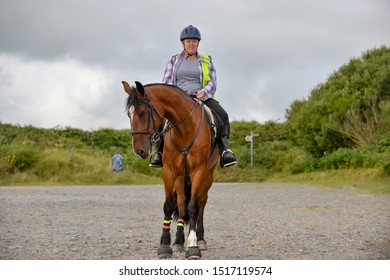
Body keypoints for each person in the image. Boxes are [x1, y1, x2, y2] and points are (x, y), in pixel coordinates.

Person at [149, 24, 237, 168]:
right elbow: (166, 82)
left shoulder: (206, 60)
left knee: (223, 115)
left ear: (198, 43)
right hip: (178, 99)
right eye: (188, 41)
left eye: (194, 41)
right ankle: (157, 151)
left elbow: (212, 82)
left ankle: (225, 150)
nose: (191, 44)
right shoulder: (174, 60)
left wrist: (204, 92)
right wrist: (175, 96)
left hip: (201, 97)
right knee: (160, 117)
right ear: (183, 43)